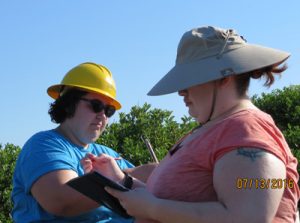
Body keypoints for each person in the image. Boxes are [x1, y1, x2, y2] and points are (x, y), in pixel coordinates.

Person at [85, 26, 300, 222]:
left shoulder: (248, 131)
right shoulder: (215, 129)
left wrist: (153, 209)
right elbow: (179, 200)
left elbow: (248, 217)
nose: (181, 91)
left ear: (224, 77)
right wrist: (122, 180)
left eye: (190, 79)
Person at [11, 62, 144, 222]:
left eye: (109, 110)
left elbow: (151, 178)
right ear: (69, 104)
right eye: (96, 106)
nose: (103, 115)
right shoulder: (44, 145)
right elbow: (61, 201)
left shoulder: (108, 153)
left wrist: (124, 177)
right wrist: (119, 181)